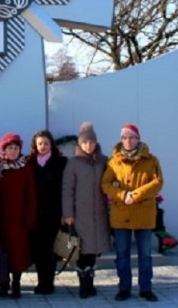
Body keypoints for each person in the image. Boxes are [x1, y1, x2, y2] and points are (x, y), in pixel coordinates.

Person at [102, 124, 164, 303]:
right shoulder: (113, 161)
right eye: (125, 137)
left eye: (132, 137)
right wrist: (122, 194)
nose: (128, 141)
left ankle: (146, 288)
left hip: (143, 213)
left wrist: (135, 195)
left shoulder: (151, 160)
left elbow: (158, 182)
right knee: (122, 254)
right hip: (121, 214)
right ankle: (124, 288)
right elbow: (105, 184)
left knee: (145, 254)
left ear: (138, 138)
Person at [62, 122, 111, 299]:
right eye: (85, 143)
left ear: (96, 143)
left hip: (99, 214)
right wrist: (68, 214)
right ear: (80, 145)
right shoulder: (73, 163)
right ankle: (83, 286)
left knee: (93, 252)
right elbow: (67, 190)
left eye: (91, 142)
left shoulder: (104, 161)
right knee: (81, 252)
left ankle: (91, 284)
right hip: (80, 216)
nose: (88, 146)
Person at [0, 133, 36, 298]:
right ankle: (3, 284)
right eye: (10, 148)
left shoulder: (26, 169)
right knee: (2, 253)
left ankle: (16, 284)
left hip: (19, 219)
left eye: (16, 148)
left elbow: (31, 195)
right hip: (1, 218)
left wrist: (30, 217)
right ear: (4, 150)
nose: (13, 151)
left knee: (18, 254)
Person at [27, 130, 67, 295]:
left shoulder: (61, 162)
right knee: (38, 250)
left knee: (52, 250)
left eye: (46, 143)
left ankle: (49, 283)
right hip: (36, 214)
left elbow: (65, 188)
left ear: (51, 145)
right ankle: (41, 281)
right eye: (40, 144)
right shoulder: (29, 163)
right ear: (35, 146)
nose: (43, 146)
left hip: (54, 214)